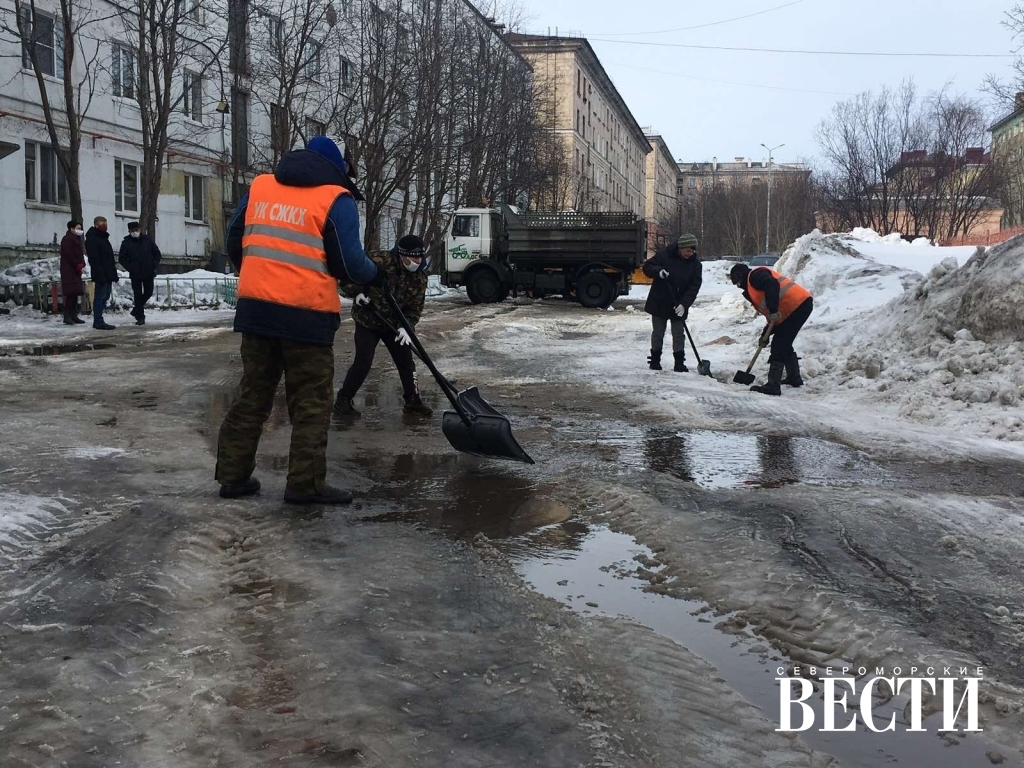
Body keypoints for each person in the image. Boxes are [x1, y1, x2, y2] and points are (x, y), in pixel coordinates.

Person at [215, 136, 384, 506]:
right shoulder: (335, 199)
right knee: (310, 402)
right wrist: (374, 274)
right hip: (307, 319)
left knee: (253, 394)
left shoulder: (260, 187)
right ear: (339, 166)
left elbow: (233, 239)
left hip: (257, 311)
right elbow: (349, 263)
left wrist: (259, 275)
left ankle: (232, 476)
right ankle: (304, 485)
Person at [334, 234, 433, 418]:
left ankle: (413, 400)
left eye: (420, 257)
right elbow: (349, 273)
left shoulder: (420, 277)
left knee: (406, 361)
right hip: (368, 319)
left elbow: (414, 308)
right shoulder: (378, 260)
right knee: (363, 361)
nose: (417, 261)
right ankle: (343, 401)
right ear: (402, 255)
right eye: (413, 257)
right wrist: (356, 293)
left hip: (394, 323)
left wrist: (407, 327)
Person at [729, 263, 813, 396]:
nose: (739, 287)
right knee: (784, 343)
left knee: (779, 345)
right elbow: (770, 313)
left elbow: (771, 284)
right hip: (794, 308)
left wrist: (773, 309)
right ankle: (794, 378)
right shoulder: (752, 287)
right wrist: (766, 334)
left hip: (797, 305)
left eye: (738, 283)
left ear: (740, 276)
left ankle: (773, 386)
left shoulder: (755, 276)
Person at [642, 233, 702, 371]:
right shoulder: (664, 256)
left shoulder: (695, 265)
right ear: (680, 248)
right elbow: (647, 267)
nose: (690, 254)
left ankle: (679, 363)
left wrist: (684, 304)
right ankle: (655, 361)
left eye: (693, 251)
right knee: (658, 332)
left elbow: (694, 287)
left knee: (679, 333)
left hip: (679, 303)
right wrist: (659, 271)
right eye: (688, 251)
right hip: (660, 300)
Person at [118, 221, 162, 325]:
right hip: (135, 273)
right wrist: (130, 268)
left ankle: (136, 309)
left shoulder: (148, 240)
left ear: (140, 229)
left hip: (148, 271)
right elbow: (122, 258)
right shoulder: (126, 242)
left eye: (136, 230)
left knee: (148, 292)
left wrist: (153, 265)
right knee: (137, 295)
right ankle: (140, 317)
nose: (135, 232)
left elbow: (157, 254)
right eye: (132, 230)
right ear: (129, 231)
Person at [85, 216, 118, 330]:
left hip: (107, 272)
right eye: (102, 223)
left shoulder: (103, 238)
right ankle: (98, 320)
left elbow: (109, 257)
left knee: (106, 296)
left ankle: (99, 318)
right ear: (97, 224)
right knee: (100, 296)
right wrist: (100, 273)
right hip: (101, 273)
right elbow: (94, 258)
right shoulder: (93, 238)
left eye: (105, 223)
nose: (105, 225)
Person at [59, 220, 86, 325]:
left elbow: (80, 253)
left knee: (75, 293)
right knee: (71, 293)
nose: (80, 231)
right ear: (72, 229)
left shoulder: (76, 239)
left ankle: (73, 315)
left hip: (75, 270)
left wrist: (82, 263)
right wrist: (77, 264)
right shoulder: (67, 239)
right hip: (69, 270)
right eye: (78, 228)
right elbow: (69, 254)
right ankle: (67, 315)